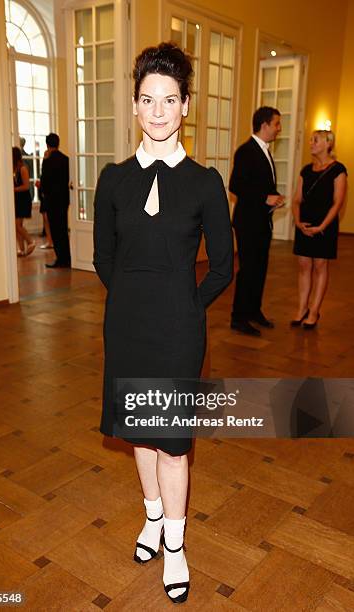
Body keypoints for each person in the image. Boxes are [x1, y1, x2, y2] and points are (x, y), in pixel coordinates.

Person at [93, 42, 233, 604]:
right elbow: (104, 258)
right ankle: (152, 517)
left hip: (179, 331)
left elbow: (223, 266)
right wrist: (133, 299)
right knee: (139, 434)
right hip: (127, 327)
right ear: (134, 104)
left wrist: (187, 305)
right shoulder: (114, 179)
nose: (157, 112)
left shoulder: (204, 182)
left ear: (186, 104)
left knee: (173, 442)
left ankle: (175, 543)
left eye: (169, 100)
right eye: (147, 99)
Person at [229, 106, 285, 336]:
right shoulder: (246, 151)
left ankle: (254, 311)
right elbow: (236, 186)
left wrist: (274, 198)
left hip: (262, 222)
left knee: (260, 269)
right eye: (277, 124)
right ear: (264, 125)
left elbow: (260, 184)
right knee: (249, 270)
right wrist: (265, 198)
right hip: (248, 223)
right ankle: (238, 318)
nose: (279, 129)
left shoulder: (265, 151)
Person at [291, 130, 347, 328]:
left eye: (315, 140)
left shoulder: (338, 170)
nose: (311, 143)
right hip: (304, 224)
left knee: (320, 266)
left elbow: (337, 203)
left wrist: (322, 226)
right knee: (304, 266)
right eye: (311, 140)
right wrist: (298, 223)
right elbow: (296, 200)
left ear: (328, 144)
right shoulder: (306, 170)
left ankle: (314, 312)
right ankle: (301, 309)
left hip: (325, 226)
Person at [40, 133, 71, 268]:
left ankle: (60, 259)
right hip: (63, 199)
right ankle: (67, 257)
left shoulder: (48, 160)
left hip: (52, 201)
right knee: (63, 229)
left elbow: (44, 182)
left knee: (55, 231)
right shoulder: (66, 159)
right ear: (58, 143)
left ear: (47, 144)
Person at [12, 146, 35, 257]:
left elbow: (26, 186)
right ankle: (21, 249)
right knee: (17, 226)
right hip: (18, 200)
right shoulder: (15, 170)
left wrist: (13, 189)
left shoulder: (23, 169)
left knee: (18, 225)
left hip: (23, 200)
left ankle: (30, 242)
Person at [35, 149, 54, 249]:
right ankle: (49, 240)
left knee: (48, 219)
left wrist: (41, 185)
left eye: (46, 155)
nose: (44, 157)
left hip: (48, 198)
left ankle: (51, 241)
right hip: (44, 197)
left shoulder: (49, 167)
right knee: (45, 219)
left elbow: (49, 184)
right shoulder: (44, 168)